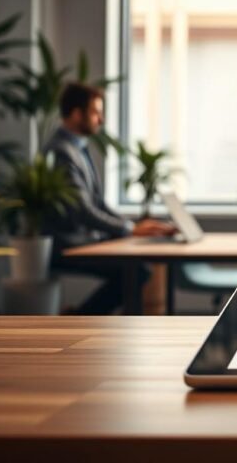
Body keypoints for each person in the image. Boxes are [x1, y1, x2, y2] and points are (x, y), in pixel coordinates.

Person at [43, 82, 175, 314]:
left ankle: (81, 318)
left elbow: (98, 203)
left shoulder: (77, 149)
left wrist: (132, 226)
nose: (101, 120)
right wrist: (129, 229)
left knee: (137, 268)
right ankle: (81, 319)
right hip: (67, 244)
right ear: (76, 114)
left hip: (83, 240)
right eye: (96, 112)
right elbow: (83, 210)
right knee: (136, 271)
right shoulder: (62, 151)